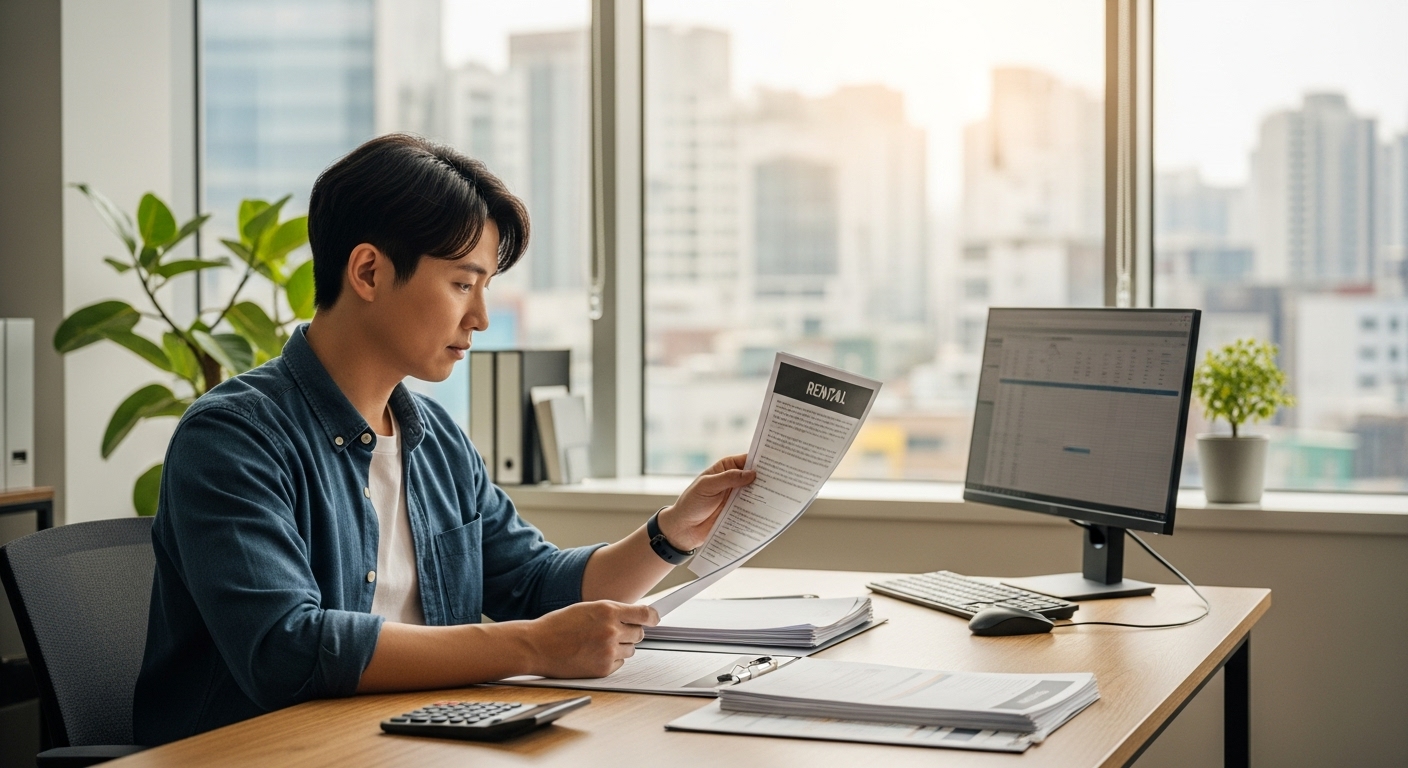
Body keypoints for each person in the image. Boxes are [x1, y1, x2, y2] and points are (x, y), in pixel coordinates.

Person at [133, 134, 755, 746]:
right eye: (463, 284)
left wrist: (670, 533)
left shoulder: (434, 440)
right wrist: (533, 646)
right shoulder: (236, 436)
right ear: (369, 272)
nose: (480, 317)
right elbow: (287, 650)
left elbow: (536, 585)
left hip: (415, 743)